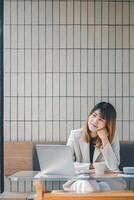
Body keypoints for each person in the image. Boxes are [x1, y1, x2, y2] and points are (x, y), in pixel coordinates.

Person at [66, 102, 126, 190]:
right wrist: (90, 166)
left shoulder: (112, 137)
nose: (95, 121)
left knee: (103, 187)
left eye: (101, 119)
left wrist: (105, 139)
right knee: (87, 185)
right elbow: (67, 165)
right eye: (94, 115)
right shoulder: (75, 135)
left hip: (106, 180)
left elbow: (113, 166)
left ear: (108, 124)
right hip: (81, 179)